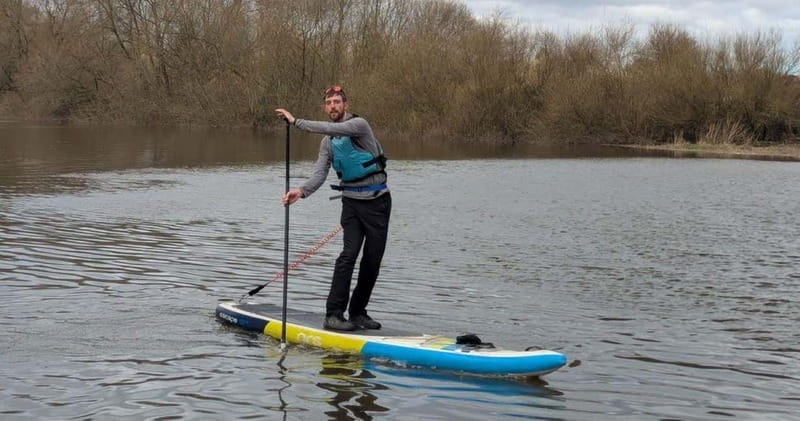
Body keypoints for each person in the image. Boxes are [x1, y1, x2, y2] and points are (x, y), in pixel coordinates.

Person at [275, 85, 390, 332]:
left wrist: (296, 122)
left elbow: (331, 128)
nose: (333, 107)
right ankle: (334, 314)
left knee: (372, 260)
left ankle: (358, 312)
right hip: (351, 204)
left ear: (345, 105)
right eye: (328, 103)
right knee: (348, 255)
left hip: (377, 202)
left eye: (337, 102)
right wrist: (302, 190)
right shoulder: (327, 144)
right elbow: (319, 173)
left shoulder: (359, 126)